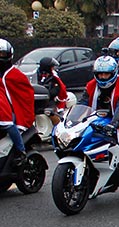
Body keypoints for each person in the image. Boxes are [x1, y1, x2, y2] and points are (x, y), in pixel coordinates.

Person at [78, 56, 119, 176]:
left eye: (106, 74)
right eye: (100, 74)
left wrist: (115, 123)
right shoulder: (91, 85)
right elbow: (82, 102)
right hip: (96, 118)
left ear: (113, 73)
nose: (103, 77)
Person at [0, 38, 34, 166]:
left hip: (12, 112)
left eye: (2, 54)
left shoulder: (16, 75)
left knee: (8, 124)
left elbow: (26, 96)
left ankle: (21, 150)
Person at [37, 56, 68, 125]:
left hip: (49, 101)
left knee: (51, 113)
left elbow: (55, 91)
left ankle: (58, 127)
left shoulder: (54, 78)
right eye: (52, 67)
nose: (54, 68)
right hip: (36, 101)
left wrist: (46, 92)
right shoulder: (37, 75)